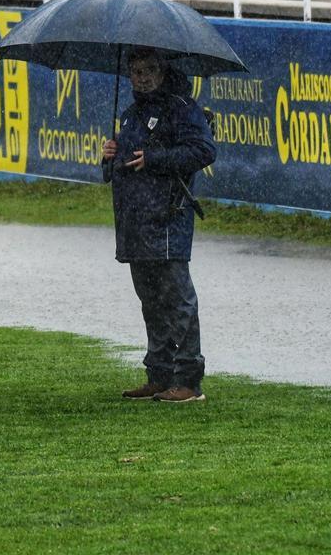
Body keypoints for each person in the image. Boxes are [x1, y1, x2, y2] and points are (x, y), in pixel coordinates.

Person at [102, 47, 215, 403]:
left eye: (150, 70)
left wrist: (155, 159)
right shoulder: (130, 114)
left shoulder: (183, 109)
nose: (143, 77)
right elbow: (121, 167)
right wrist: (109, 158)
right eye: (136, 71)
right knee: (150, 300)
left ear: (163, 71)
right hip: (135, 220)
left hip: (168, 217)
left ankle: (188, 379)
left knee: (177, 300)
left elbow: (203, 151)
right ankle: (159, 373)